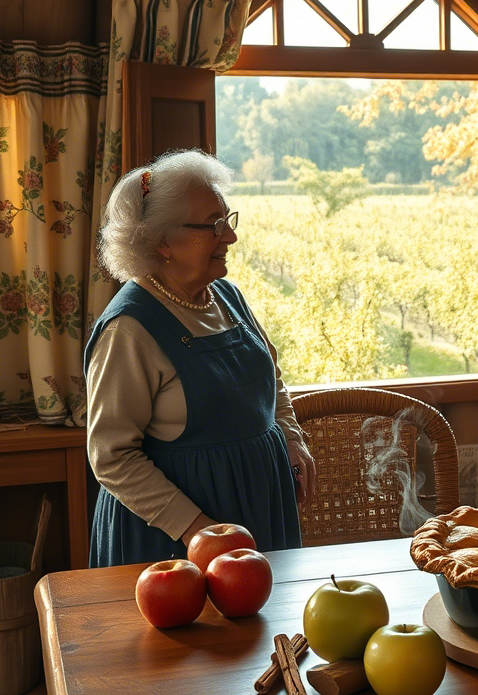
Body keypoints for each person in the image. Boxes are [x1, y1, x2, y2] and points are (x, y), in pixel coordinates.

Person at [85, 150, 315, 567]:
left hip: (259, 513)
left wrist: (291, 439)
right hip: (172, 543)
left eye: (228, 221)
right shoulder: (129, 328)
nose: (229, 237)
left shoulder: (226, 296)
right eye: (213, 225)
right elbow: (111, 456)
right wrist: (198, 530)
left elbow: (271, 377)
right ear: (161, 241)